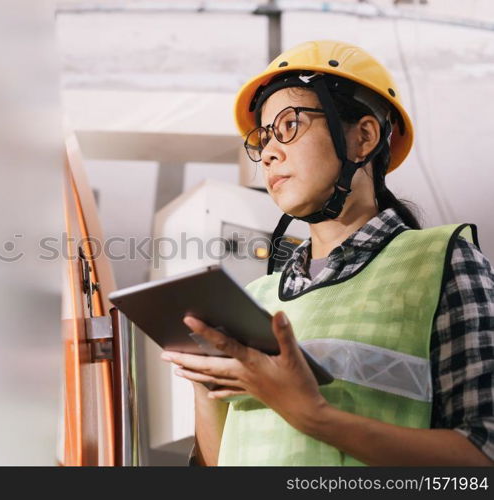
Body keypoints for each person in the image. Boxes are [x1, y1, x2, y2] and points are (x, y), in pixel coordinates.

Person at [160, 40, 494, 466]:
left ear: (363, 138)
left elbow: (484, 455)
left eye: (289, 126)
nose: (268, 153)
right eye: (262, 138)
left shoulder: (442, 262)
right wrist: (203, 383)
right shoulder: (255, 297)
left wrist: (314, 417)